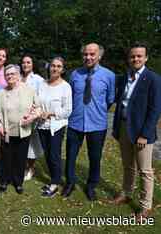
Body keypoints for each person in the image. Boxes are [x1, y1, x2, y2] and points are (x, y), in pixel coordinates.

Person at [112, 42, 161, 220]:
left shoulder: (153, 79)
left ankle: (145, 206)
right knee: (128, 165)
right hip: (124, 126)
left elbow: (155, 110)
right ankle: (126, 193)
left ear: (146, 58)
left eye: (139, 56)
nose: (136, 59)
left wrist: (145, 134)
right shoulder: (126, 77)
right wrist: (117, 128)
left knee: (145, 170)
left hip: (142, 132)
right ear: (129, 58)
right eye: (133, 56)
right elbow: (120, 103)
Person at [62, 43, 115, 201]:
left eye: (92, 54)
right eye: (86, 54)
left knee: (95, 157)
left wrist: (96, 110)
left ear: (100, 56)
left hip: (97, 125)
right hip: (75, 123)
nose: (88, 57)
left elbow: (110, 99)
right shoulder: (75, 74)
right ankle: (70, 183)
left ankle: (91, 186)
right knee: (71, 156)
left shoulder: (109, 76)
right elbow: (69, 96)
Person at [0, 64, 40, 194]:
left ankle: (18, 182)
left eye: (12, 74)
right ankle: (4, 181)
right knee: (6, 158)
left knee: (20, 158)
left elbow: (38, 108)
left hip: (23, 131)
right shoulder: (1, 93)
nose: (9, 76)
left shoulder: (29, 90)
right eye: (7, 74)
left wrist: (31, 118)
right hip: (6, 132)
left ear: (19, 75)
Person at [36, 57, 72, 197]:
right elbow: (37, 101)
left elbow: (68, 111)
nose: (55, 68)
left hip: (56, 126)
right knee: (46, 154)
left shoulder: (65, 87)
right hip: (42, 125)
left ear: (62, 69)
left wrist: (50, 113)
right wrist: (38, 112)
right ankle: (53, 179)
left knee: (54, 155)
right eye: (53, 66)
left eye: (58, 66)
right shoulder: (42, 84)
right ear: (49, 67)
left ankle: (55, 184)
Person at [20, 55, 44, 181]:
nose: (25, 65)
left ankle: (30, 167)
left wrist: (34, 113)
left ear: (32, 64)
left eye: (28, 62)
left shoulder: (38, 80)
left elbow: (40, 98)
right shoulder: (18, 77)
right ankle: (21, 166)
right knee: (21, 142)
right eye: (23, 62)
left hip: (32, 116)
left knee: (31, 144)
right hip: (18, 116)